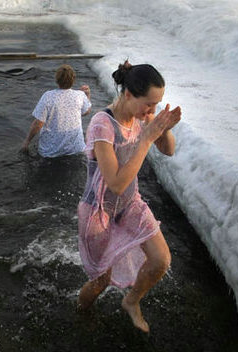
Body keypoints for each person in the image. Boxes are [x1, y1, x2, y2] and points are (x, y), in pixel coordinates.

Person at [77, 60, 181, 333]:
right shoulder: (103, 125)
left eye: (157, 104)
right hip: (99, 210)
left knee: (161, 260)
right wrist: (146, 139)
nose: (152, 110)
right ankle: (80, 315)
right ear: (128, 95)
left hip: (129, 204)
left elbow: (169, 150)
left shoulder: (141, 118)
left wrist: (162, 128)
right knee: (100, 283)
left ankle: (131, 301)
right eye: (149, 104)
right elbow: (115, 184)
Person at [22, 64, 92, 158]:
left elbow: (38, 124)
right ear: (73, 80)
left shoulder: (48, 96)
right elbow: (86, 112)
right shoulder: (80, 95)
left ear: (57, 80)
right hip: (76, 149)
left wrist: (27, 141)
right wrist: (87, 95)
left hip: (51, 151)